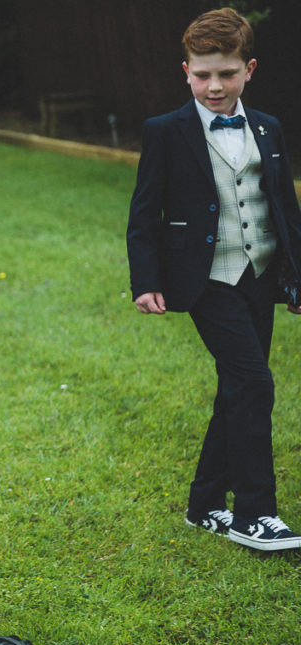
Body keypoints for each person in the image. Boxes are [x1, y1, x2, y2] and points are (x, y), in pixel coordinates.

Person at [127, 8, 301, 551]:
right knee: (254, 383)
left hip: (260, 275)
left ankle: (204, 505)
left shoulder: (268, 127)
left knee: (237, 387)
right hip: (205, 279)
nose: (214, 86)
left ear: (248, 69)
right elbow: (143, 213)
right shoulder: (166, 132)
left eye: (226, 74)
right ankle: (254, 514)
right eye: (202, 75)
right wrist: (145, 280)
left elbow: (284, 208)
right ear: (186, 71)